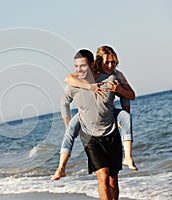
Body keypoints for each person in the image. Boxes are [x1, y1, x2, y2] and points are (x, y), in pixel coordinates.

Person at [51, 46, 137, 181]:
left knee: (126, 118)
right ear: (97, 62)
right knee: (70, 130)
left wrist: (119, 92)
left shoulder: (116, 76)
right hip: (86, 119)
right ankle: (61, 168)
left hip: (109, 117)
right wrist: (90, 87)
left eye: (113, 62)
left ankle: (128, 157)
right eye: (107, 62)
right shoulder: (82, 75)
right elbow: (68, 79)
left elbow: (129, 96)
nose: (110, 65)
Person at [58, 49, 122, 200]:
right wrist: (69, 127)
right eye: (76, 66)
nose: (79, 70)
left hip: (111, 132)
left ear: (92, 64)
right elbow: (64, 104)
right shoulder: (74, 85)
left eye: (83, 66)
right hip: (90, 137)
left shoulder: (109, 79)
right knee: (103, 175)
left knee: (113, 179)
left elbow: (127, 96)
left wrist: (123, 117)